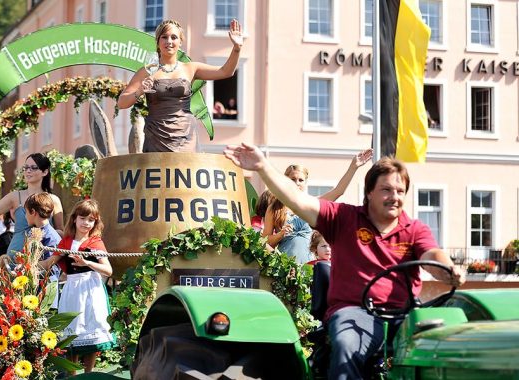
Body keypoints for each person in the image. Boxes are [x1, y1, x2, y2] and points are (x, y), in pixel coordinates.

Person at [224, 143, 465, 379]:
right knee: (348, 342)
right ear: (369, 192)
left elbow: (432, 255)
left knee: (444, 346)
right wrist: (262, 166)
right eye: (386, 190)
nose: (395, 197)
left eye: (400, 191)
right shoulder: (343, 218)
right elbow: (298, 201)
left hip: (404, 314)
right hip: (355, 311)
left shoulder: (414, 229)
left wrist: (448, 270)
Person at [117, 19, 243, 152]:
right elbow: (121, 103)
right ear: (158, 42)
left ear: (180, 42)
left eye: (174, 37)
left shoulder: (191, 68)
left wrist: (237, 48)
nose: (169, 41)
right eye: (164, 37)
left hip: (185, 138)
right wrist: (140, 91)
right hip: (156, 139)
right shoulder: (146, 71)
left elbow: (226, 71)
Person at [39, 200, 115, 374]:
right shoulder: (66, 243)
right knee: (71, 334)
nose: (86, 223)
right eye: (82, 218)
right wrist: (28, 262)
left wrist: (86, 262)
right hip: (72, 289)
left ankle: (88, 374)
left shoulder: (95, 243)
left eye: (91, 220)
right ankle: (72, 375)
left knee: (90, 332)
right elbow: (49, 263)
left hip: (91, 289)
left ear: (95, 222)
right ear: (74, 219)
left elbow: (108, 270)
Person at [263, 149, 372, 264]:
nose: (297, 183)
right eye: (293, 179)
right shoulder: (275, 208)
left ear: (305, 183)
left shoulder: (311, 203)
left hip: (310, 266)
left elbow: (338, 191)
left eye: (301, 180)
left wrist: (353, 167)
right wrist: (280, 235)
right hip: (285, 267)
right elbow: (265, 242)